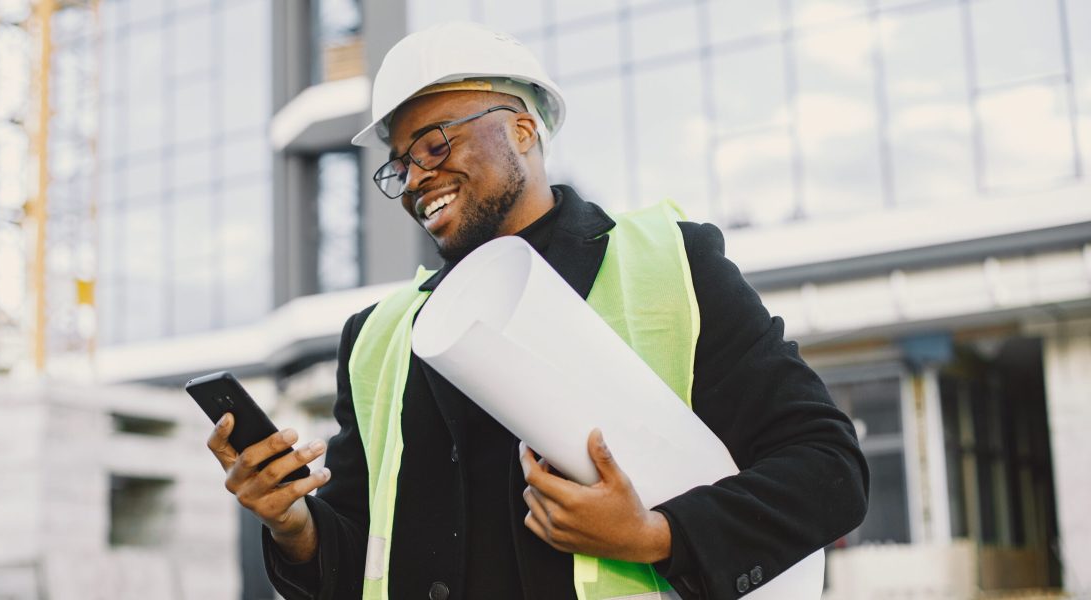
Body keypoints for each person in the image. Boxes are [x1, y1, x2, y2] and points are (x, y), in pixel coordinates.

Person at [206, 22, 868, 600]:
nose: (414, 179)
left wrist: (655, 535)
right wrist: (291, 523)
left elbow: (828, 469)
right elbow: (358, 563)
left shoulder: (670, 263)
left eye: (434, 145)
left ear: (522, 129)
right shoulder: (377, 338)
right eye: (400, 165)